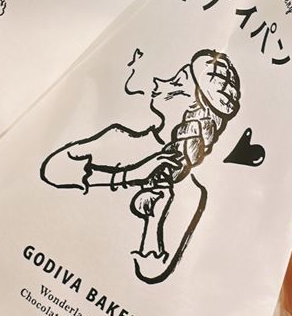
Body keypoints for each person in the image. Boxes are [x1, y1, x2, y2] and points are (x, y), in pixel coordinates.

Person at [40, 49, 241, 283]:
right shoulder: (119, 137)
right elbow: (52, 169)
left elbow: (151, 272)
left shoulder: (192, 193)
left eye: (177, 81)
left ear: (193, 107)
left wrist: (154, 221)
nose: (159, 82)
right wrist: (131, 175)